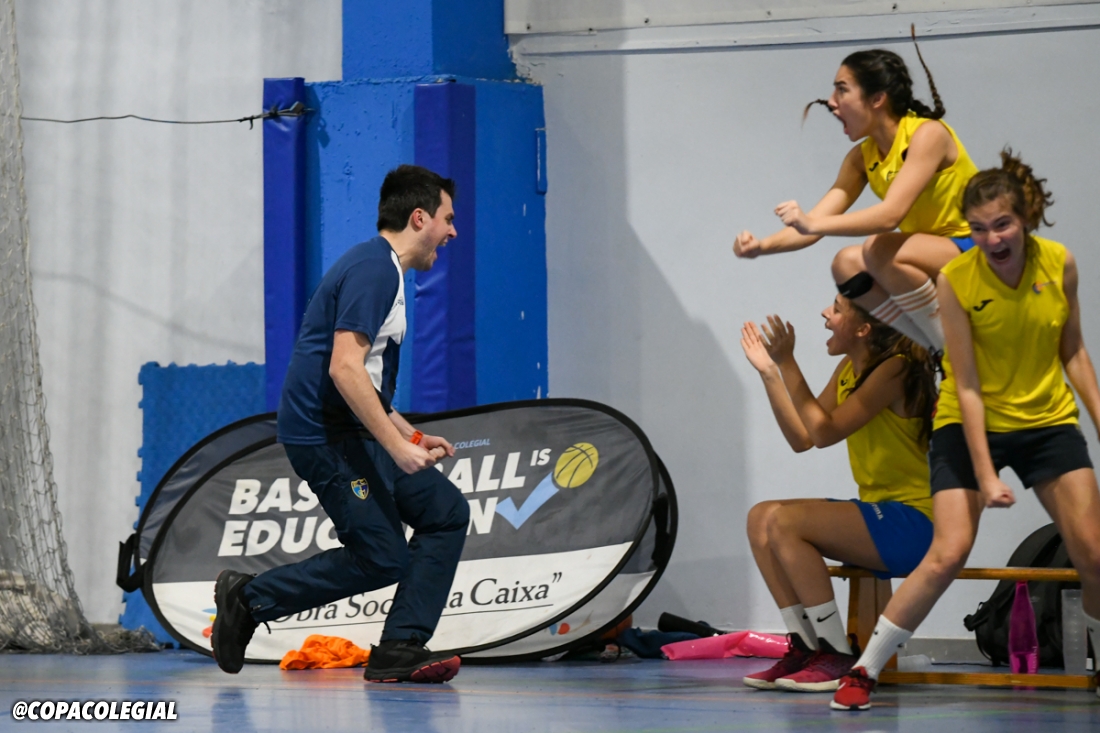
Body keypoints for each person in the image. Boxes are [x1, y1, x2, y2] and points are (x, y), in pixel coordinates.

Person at [832, 152, 1100, 710]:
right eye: (977, 229)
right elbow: (968, 382)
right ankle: (864, 670)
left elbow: (1072, 350)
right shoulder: (957, 279)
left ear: (1025, 217)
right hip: (968, 417)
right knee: (948, 550)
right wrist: (984, 471)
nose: (991, 239)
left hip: (1046, 421)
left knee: (1094, 555)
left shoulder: (1060, 265)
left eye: (1001, 225)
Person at [211, 165, 471, 683]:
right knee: (383, 557)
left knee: (444, 512)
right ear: (420, 218)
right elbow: (343, 368)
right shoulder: (375, 271)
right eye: (448, 218)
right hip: (325, 437)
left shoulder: (383, 269)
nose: (453, 231)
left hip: (354, 430)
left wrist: (412, 435)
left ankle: (400, 646)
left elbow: (364, 381)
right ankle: (250, 598)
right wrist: (397, 448)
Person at [733, 29, 978, 352]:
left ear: (877, 99)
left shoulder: (927, 135)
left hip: (975, 247)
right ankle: (936, 347)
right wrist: (761, 246)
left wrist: (811, 223)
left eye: (842, 90)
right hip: (927, 256)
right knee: (845, 263)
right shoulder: (861, 159)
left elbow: (890, 215)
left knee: (878, 248)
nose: (831, 102)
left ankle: (952, 351)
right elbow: (811, 227)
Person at [739, 295, 937, 692]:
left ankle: (834, 653)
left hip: (917, 523)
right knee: (761, 516)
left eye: (837, 309)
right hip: (882, 513)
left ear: (863, 329)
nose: (825, 315)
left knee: (786, 521)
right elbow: (803, 437)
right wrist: (771, 372)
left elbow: (825, 432)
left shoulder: (895, 368)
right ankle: (805, 646)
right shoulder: (849, 368)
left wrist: (789, 362)